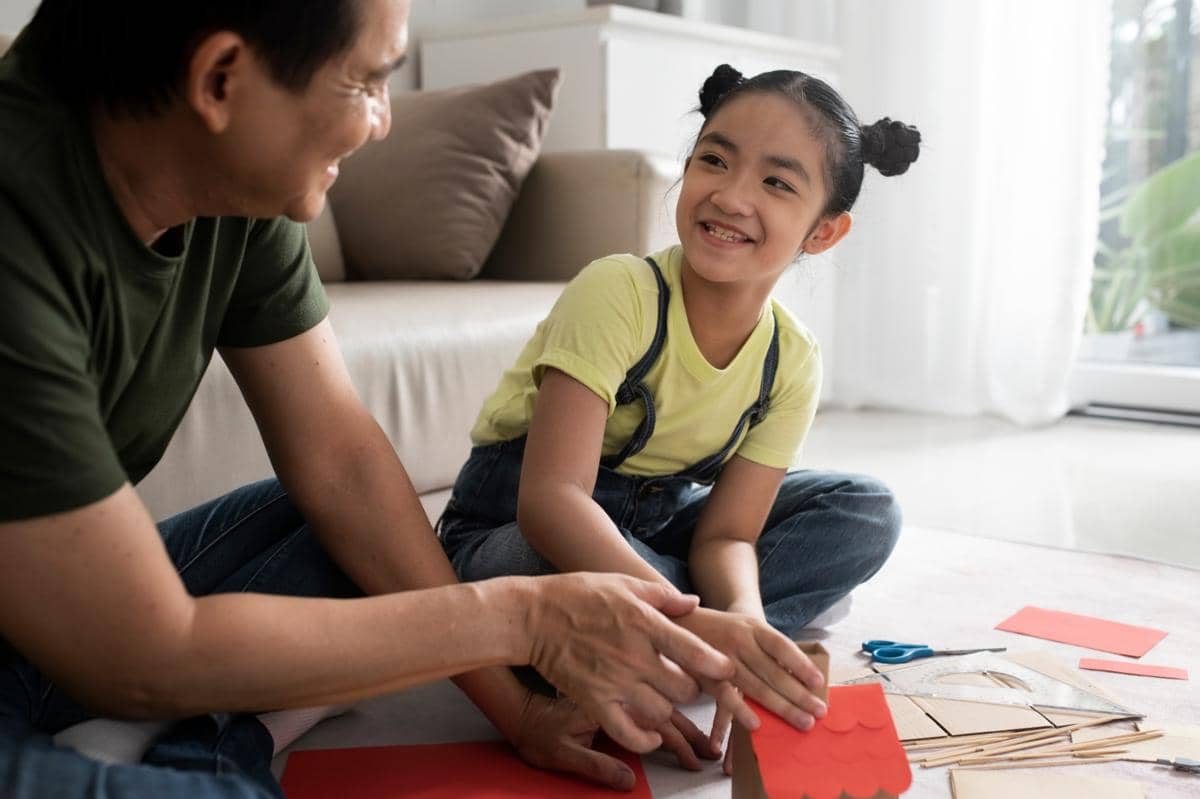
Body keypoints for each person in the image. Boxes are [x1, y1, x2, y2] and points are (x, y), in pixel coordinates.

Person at [0, 2, 759, 797]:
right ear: (220, 79)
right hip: (87, 639)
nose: (382, 121)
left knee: (342, 521)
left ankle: (153, 725)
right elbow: (145, 650)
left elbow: (342, 466)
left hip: (51, 615)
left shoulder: (231, 186)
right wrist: (525, 615)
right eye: (366, 81)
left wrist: (515, 711)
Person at [439, 63, 920, 773]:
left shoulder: (791, 359)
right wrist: (698, 622)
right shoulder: (620, 291)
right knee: (540, 567)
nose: (729, 196)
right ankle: (672, 647)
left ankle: (672, 648)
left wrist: (745, 620)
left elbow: (727, 533)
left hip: (661, 532)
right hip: (523, 531)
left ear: (825, 231)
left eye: (776, 182)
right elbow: (550, 502)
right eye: (714, 160)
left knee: (867, 510)